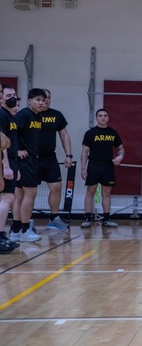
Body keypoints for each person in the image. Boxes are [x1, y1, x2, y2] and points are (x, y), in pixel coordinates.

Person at [14, 88, 70, 238]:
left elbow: (64, 135)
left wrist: (68, 155)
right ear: (30, 101)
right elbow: (11, 132)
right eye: (38, 100)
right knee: (26, 193)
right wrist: (16, 151)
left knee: (28, 193)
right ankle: (23, 227)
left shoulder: (39, 117)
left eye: (44, 99)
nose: (42, 102)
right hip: (24, 160)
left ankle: (18, 228)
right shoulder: (24, 114)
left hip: (41, 158)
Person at [35, 89, 73, 231]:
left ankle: (54, 218)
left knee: (57, 187)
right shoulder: (29, 115)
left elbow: (64, 135)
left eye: (48, 98)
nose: (46, 100)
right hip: (32, 159)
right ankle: (26, 222)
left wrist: (68, 155)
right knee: (30, 191)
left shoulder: (56, 115)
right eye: (43, 98)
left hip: (50, 158)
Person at [80, 109, 125, 228]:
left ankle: (106, 218)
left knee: (107, 192)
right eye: (100, 116)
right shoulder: (90, 133)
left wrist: (120, 156)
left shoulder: (113, 133)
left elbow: (120, 148)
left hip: (107, 166)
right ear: (96, 118)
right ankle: (87, 218)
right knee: (91, 191)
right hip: (94, 164)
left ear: (108, 118)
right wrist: (83, 168)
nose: (103, 117)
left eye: (105, 115)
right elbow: (85, 151)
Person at [0, 85, 20, 252]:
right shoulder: (1, 115)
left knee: (8, 198)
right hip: (5, 162)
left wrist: (15, 166)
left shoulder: (10, 116)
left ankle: (2, 235)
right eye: (7, 95)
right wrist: (5, 166)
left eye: (14, 94)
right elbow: (2, 144)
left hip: (12, 161)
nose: (12, 98)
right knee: (6, 198)